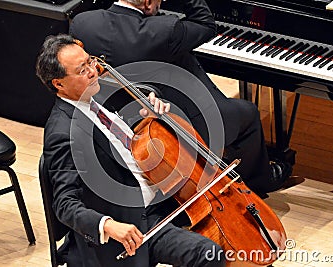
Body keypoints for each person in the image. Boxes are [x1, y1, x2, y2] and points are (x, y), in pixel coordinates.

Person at [36, 33, 226, 267]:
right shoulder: (62, 133)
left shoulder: (96, 95)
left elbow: (119, 138)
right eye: (82, 70)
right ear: (59, 84)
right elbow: (64, 204)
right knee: (209, 254)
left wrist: (151, 115)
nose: (93, 71)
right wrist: (107, 224)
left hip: (165, 198)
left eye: (90, 62)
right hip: (136, 225)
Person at [69, 0, 292, 196]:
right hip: (171, 127)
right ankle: (260, 181)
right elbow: (206, 24)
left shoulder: (82, 23)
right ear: (147, 3)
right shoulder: (163, 31)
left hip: (119, 122)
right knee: (249, 113)